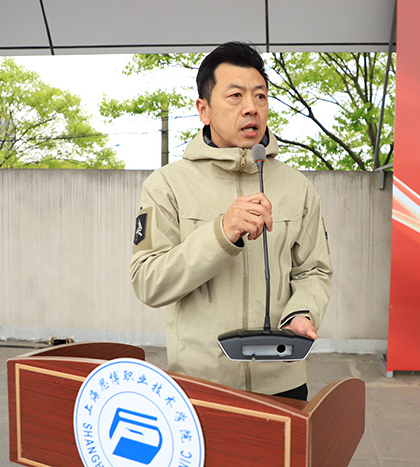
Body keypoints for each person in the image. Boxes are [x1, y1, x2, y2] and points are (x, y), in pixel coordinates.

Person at [129, 42, 332, 401]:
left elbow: (313, 270)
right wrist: (221, 233)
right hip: (200, 384)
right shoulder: (166, 185)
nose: (251, 107)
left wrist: (302, 313)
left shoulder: (298, 187)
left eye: (260, 96)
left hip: (283, 383)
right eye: (235, 95)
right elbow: (148, 282)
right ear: (203, 109)